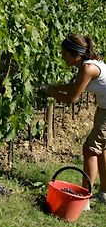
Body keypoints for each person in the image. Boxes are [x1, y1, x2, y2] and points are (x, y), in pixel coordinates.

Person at [41, 34, 106, 205]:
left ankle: (84, 200)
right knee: (102, 149)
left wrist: (49, 91)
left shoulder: (87, 68)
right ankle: (105, 193)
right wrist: (54, 87)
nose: (63, 58)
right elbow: (74, 86)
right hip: (103, 108)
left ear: (75, 55)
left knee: (90, 149)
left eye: (65, 54)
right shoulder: (87, 65)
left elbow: (71, 98)